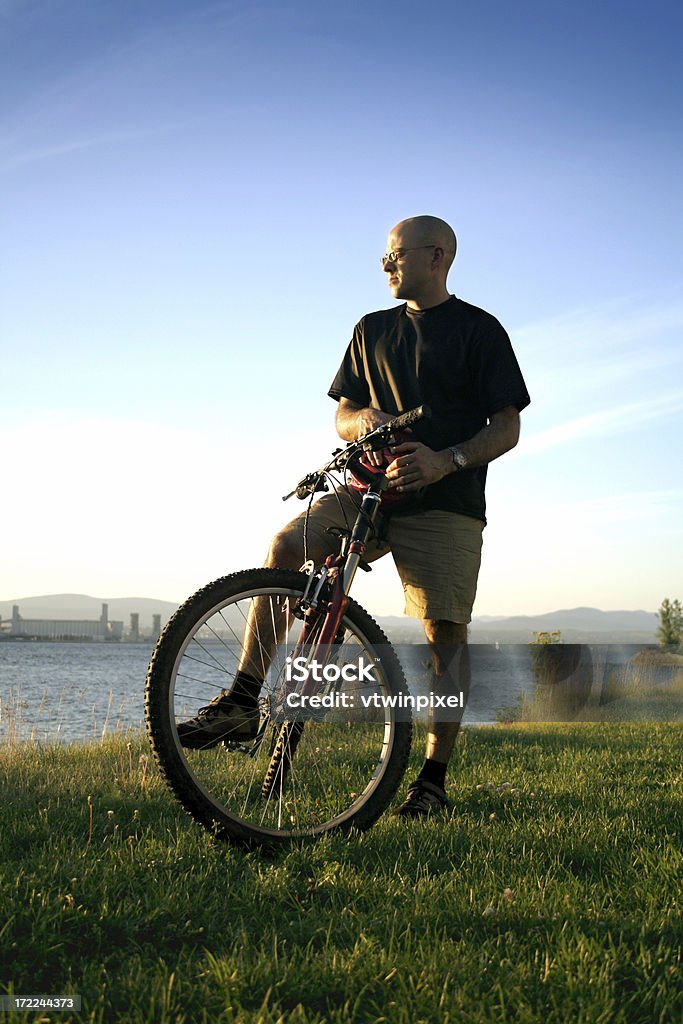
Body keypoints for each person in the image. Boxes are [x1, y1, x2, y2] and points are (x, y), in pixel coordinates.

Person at [179, 215, 530, 819]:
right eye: (386, 256)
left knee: (444, 633)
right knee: (285, 547)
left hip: (445, 501)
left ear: (437, 256)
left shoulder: (480, 330)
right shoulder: (371, 329)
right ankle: (241, 701)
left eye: (396, 254)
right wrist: (360, 422)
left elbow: (507, 427)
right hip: (367, 492)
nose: (385, 264)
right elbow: (343, 413)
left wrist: (447, 461)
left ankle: (432, 780)